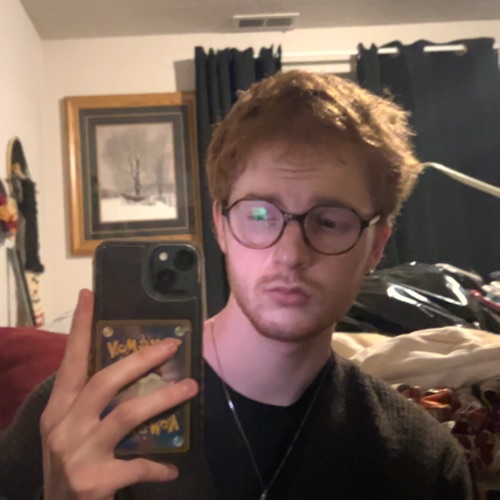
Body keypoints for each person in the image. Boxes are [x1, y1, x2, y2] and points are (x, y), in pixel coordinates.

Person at [0, 70, 472, 500]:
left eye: (330, 221)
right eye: (260, 215)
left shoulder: (422, 462)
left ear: (376, 246)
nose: (290, 254)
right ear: (220, 226)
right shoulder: (74, 422)